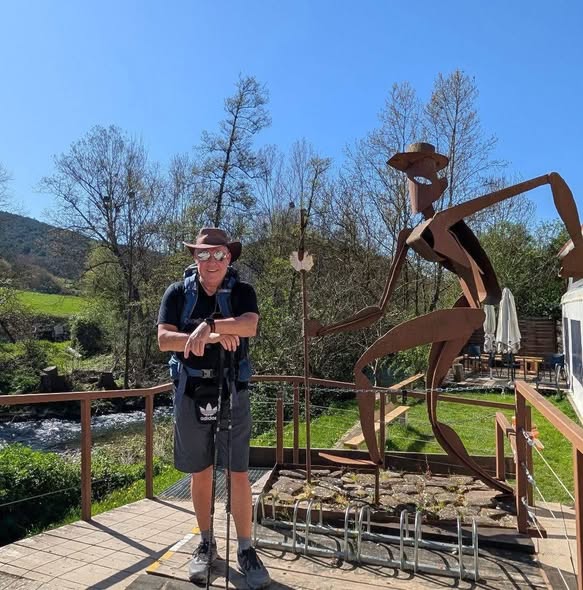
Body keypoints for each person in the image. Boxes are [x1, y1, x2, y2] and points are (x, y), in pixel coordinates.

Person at [157, 227, 271, 589]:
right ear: (195, 257)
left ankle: (246, 548)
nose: (211, 261)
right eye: (203, 254)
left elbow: (250, 325)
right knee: (201, 471)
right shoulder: (177, 293)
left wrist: (206, 327)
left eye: (219, 254)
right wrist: (219, 335)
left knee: (238, 472)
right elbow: (164, 340)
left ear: (229, 257)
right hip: (191, 390)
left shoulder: (242, 291)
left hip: (232, 390)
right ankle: (206, 543)